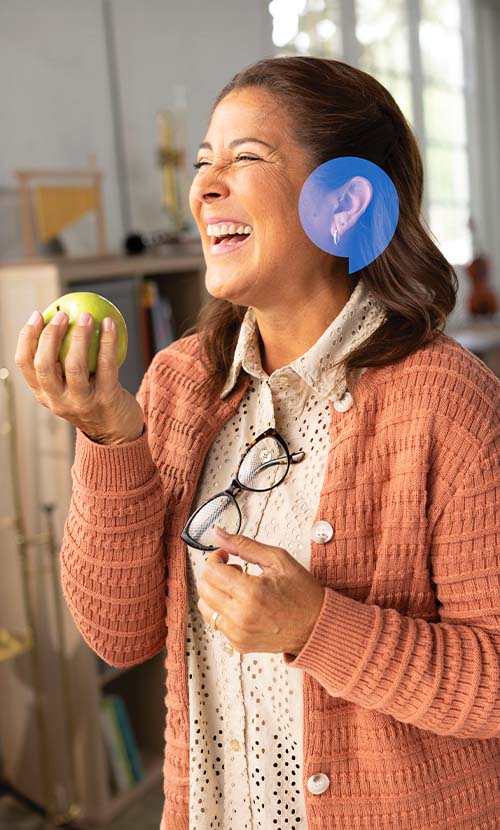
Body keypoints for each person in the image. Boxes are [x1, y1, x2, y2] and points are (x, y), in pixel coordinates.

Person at [15, 56, 500, 830]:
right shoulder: (177, 385)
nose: (204, 187)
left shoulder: (448, 400)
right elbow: (119, 633)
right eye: (204, 161)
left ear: (346, 205)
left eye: (247, 158)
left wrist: (318, 628)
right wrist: (109, 436)